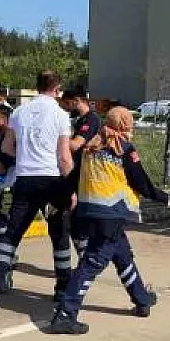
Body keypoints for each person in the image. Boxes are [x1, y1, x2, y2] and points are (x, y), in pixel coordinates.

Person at [47, 107, 170, 335]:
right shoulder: (124, 149)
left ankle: (142, 299)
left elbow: (73, 177)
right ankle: (65, 313)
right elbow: (141, 183)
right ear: (125, 125)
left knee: (122, 255)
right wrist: (166, 198)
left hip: (88, 213)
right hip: (110, 215)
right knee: (92, 263)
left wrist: (61, 199)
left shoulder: (90, 148)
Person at [0, 70, 76, 307]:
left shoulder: (19, 113)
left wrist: (26, 155)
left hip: (25, 179)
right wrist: (70, 186)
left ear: (36, 86)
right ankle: (63, 287)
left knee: (12, 232)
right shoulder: (61, 115)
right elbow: (64, 157)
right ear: (57, 88)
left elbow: (9, 149)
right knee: (59, 234)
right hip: (52, 181)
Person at [61, 85, 102, 257]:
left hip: (84, 175)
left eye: (68, 104)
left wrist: (57, 137)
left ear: (77, 101)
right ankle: (84, 256)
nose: (66, 108)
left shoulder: (90, 120)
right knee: (73, 221)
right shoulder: (80, 120)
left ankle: (86, 258)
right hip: (76, 173)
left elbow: (76, 145)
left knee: (78, 220)